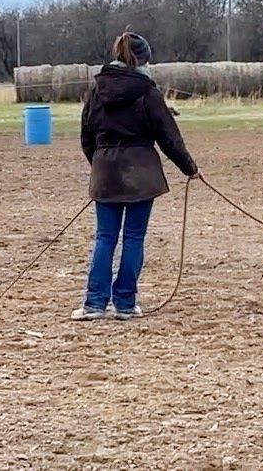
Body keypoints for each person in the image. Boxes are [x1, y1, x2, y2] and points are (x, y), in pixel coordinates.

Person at [73, 31, 200, 321]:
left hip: (105, 173)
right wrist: (190, 169)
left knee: (105, 237)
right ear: (143, 60)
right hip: (141, 174)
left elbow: (86, 136)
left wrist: (100, 164)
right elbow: (169, 138)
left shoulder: (96, 90)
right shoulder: (148, 93)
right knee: (133, 238)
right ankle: (125, 303)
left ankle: (94, 303)